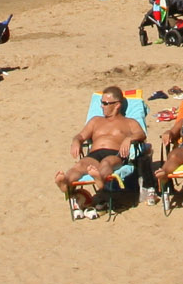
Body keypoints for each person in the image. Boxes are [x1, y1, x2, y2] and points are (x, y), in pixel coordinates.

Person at [57, 87, 145, 217]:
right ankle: (66, 183)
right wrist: (76, 141)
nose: (101, 106)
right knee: (79, 165)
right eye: (101, 102)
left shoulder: (129, 122)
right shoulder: (96, 121)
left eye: (105, 103)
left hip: (115, 154)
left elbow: (141, 134)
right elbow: (80, 136)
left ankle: (100, 179)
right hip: (94, 154)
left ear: (117, 105)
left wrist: (129, 138)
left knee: (106, 163)